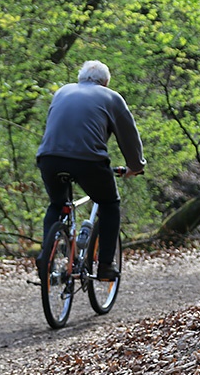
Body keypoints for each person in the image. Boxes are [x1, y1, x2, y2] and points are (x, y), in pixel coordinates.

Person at [36, 60, 146, 281]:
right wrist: (135, 166)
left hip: (49, 158)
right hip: (88, 161)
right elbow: (129, 137)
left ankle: (46, 255)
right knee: (109, 204)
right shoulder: (112, 97)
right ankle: (105, 265)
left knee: (57, 204)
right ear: (105, 82)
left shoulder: (62, 92)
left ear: (80, 78)